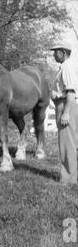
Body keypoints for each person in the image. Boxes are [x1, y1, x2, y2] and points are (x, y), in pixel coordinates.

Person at [51, 41, 78, 185]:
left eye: (56, 51)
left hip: (66, 105)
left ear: (64, 52)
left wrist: (66, 112)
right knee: (72, 142)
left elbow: (71, 91)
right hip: (67, 105)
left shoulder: (66, 67)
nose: (54, 54)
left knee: (67, 144)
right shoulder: (66, 66)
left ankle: (69, 179)